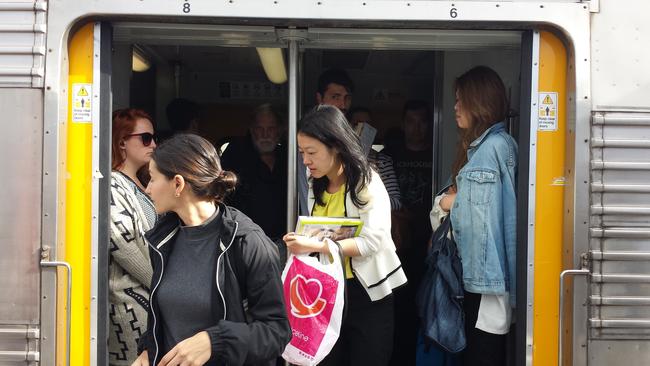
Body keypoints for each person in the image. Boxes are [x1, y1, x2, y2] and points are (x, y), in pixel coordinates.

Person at [132, 134, 291, 366]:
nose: (147, 189)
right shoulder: (164, 238)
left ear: (178, 184)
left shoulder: (247, 242)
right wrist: (149, 349)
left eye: (153, 179)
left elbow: (276, 333)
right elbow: (169, 316)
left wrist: (215, 340)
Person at [283, 105, 407, 366]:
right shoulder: (314, 180)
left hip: (367, 293)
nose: (305, 160)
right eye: (302, 152)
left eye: (312, 152)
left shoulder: (366, 181)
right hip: (327, 289)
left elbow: (374, 241)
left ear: (336, 145)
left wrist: (319, 244)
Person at [432, 65, 517, 366]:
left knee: (483, 355)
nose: (455, 107)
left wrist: (447, 202)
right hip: (478, 278)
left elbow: (488, 217)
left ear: (479, 102)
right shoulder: (479, 148)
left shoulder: (494, 147)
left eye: (460, 100)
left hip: (488, 280)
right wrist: (448, 201)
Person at [383, 100, 434, 365]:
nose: (417, 128)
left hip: (428, 244)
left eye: (422, 121)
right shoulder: (390, 157)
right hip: (397, 246)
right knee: (397, 309)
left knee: (424, 308)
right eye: (411, 121)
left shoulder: (437, 153)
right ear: (403, 124)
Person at [109, 108, 158, 365]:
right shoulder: (112, 186)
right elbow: (124, 246)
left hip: (147, 299)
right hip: (129, 304)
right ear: (121, 142)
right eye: (146, 138)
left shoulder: (140, 183)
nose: (154, 144)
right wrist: (161, 283)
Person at [221, 103, 287, 240]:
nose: (265, 134)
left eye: (271, 129)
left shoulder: (288, 157)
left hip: (284, 240)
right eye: (259, 128)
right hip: (244, 240)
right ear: (251, 129)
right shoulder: (235, 153)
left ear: (279, 131)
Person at [349, 107, 402, 211]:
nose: (363, 129)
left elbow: (396, 202)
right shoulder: (337, 159)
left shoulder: (382, 161)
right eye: (357, 124)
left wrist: (365, 202)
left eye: (368, 125)